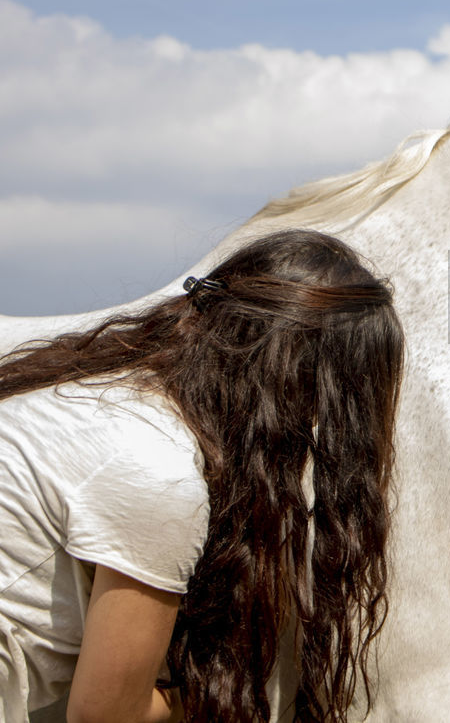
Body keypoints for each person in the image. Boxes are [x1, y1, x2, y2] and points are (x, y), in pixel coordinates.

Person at [0, 230, 404, 723]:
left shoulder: (96, 394)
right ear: (293, 384)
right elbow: (106, 713)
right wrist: (228, 690)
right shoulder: (158, 475)